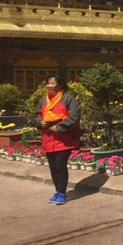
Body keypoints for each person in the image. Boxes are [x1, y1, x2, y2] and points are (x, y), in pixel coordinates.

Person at [37, 73, 81, 206]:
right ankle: (57, 191)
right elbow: (36, 115)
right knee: (52, 167)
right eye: (48, 83)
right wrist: (40, 122)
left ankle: (62, 193)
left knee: (60, 166)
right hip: (48, 138)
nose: (49, 86)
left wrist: (60, 126)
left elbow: (74, 116)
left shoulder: (68, 99)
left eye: (52, 83)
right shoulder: (43, 100)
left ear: (60, 85)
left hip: (64, 139)